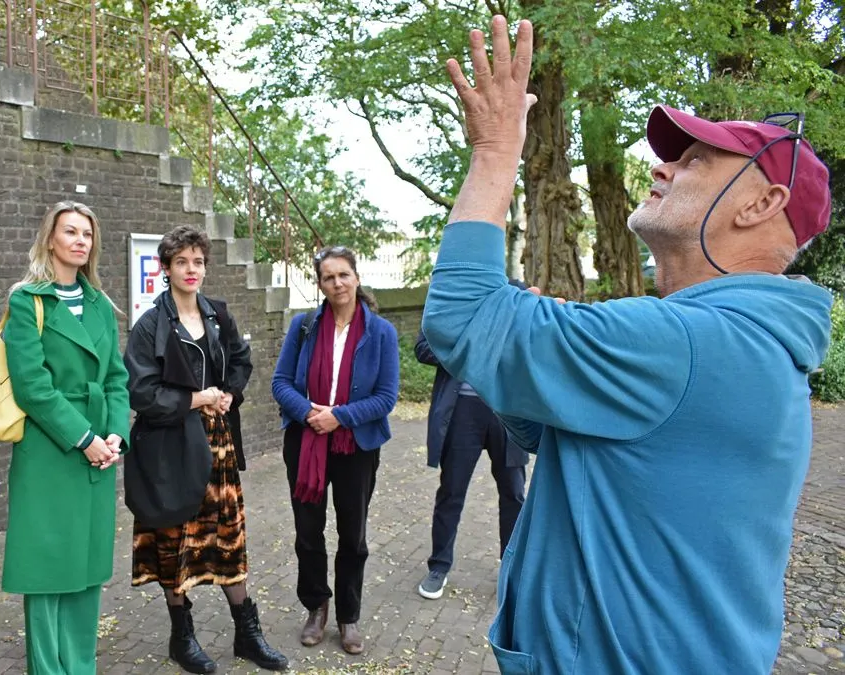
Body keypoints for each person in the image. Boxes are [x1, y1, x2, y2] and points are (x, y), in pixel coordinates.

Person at [423, 17, 834, 675]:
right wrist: (536, 363)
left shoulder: (687, 343)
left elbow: (459, 316)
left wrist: (497, 148)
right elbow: (553, 434)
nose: (661, 167)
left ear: (760, 205)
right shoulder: (743, 341)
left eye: (695, 159)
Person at [123, 225, 288, 674]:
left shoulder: (217, 314)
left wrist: (229, 393)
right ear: (166, 268)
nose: (191, 269)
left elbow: (240, 359)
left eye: (198, 261)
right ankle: (182, 637)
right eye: (181, 262)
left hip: (217, 445)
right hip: (170, 448)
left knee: (228, 537)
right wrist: (197, 398)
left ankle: (246, 634)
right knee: (174, 541)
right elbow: (141, 393)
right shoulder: (150, 327)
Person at [0, 201, 131, 675]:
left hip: (98, 450)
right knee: (48, 567)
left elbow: (117, 376)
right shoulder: (26, 299)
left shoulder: (100, 303)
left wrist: (116, 434)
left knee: (85, 567)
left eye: (87, 234)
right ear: (50, 239)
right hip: (51, 450)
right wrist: (84, 438)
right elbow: (32, 387)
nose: (80, 240)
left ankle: (80, 667)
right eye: (70, 231)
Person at [271, 246, 400, 656]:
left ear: (356, 278)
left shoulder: (381, 332)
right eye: (329, 277)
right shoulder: (304, 326)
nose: (337, 283)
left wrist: (339, 417)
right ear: (321, 284)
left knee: (353, 534)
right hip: (306, 440)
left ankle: (348, 615)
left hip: (355, 446)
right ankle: (316, 606)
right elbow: (280, 383)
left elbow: (386, 397)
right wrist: (312, 414)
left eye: (344, 275)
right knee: (308, 532)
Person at [413, 327, 527, 600]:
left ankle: (510, 571)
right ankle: (438, 567)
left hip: (507, 410)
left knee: (513, 492)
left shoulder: (516, 296)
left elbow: (534, 345)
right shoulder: (450, 305)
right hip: (462, 409)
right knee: (451, 490)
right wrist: (471, 347)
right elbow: (423, 348)